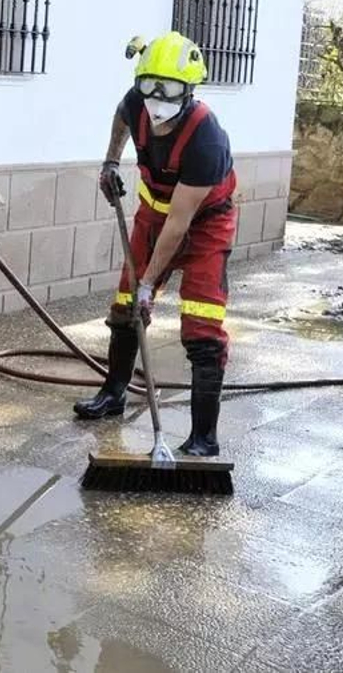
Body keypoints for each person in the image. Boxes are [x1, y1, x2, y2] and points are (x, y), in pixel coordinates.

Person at [73, 32, 238, 458]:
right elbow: (121, 115)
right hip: (152, 215)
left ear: (190, 90)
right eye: (149, 86)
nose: (156, 98)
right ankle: (113, 395)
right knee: (125, 310)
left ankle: (204, 436)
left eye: (169, 90)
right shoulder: (136, 101)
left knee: (202, 325)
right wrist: (110, 162)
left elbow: (180, 223)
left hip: (203, 227)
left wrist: (150, 283)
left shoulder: (208, 139)